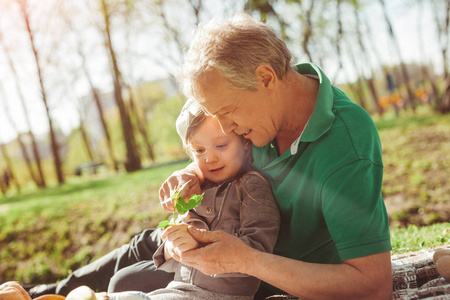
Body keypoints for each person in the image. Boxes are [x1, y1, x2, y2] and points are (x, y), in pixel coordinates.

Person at [27, 12, 392, 300]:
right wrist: (194, 171)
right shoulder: (256, 110)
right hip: (219, 235)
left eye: (227, 112)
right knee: (146, 242)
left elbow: (373, 287)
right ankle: (39, 295)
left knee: (130, 278)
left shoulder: (346, 143)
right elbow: (217, 144)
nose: (226, 127)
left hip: (262, 270)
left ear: (265, 78)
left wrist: (245, 259)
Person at [14, 99, 280, 300]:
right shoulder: (201, 186)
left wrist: (196, 245)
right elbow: (174, 249)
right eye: (199, 150)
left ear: (246, 143)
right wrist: (173, 242)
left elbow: (256, 257)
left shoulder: (252, 188)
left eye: (221, 146)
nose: (209, 158)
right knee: (130, 290)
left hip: (218, 294)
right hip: (182, 285)